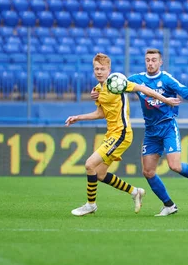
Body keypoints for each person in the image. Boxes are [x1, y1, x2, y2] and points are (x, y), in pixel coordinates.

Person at [91, 48, 188, 217]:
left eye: (154, 60)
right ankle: (169, 205)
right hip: (150, 131)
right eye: (148, 60)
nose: (150, 63)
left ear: (160, 62)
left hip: (168, 126)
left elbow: (184, 90)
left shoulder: (166, 79)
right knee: (148, 172)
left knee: (174, 166)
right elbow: (115, 85)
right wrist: (97, 91)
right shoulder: (137, 79)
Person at [65, 53, 182, 217]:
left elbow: (143, 89)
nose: (99, 72)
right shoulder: (98, 90)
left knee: (89, 164)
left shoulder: (117, 83)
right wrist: (79, 117)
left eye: (102, 69)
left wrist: (166, 100)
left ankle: (90, 205)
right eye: (96, 69)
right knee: (99, 174)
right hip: (111, 134)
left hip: (121, 133)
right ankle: (135, 192)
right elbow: (101, 113)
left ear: (109, 70)